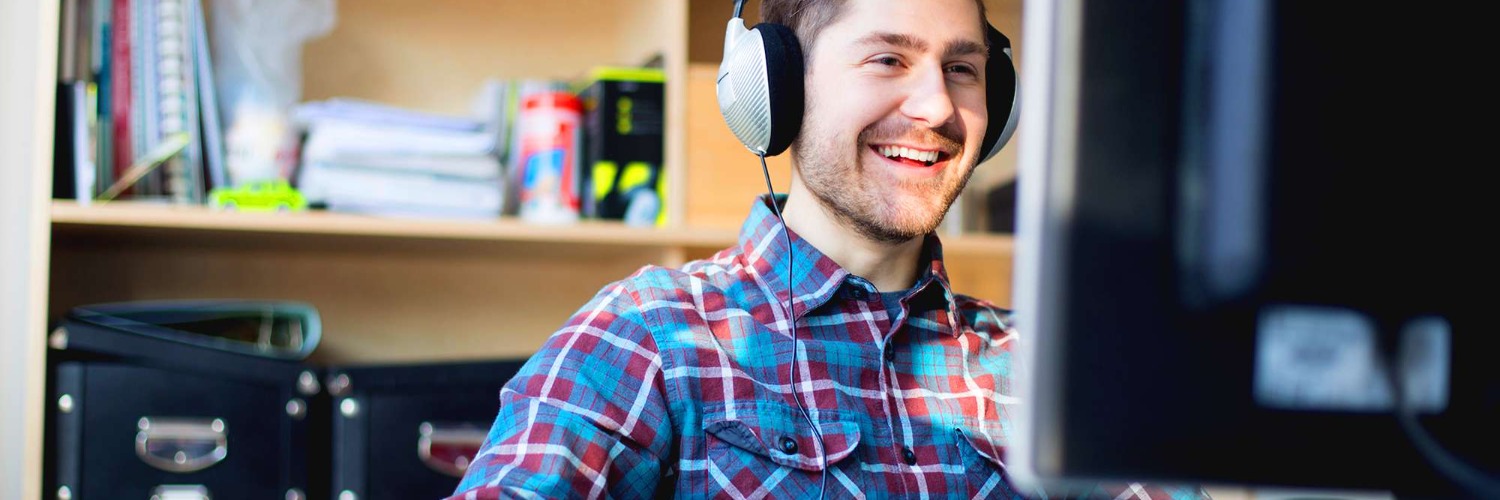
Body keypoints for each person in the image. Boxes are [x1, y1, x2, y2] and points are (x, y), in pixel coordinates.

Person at [449, 0, 1207, 498]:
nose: (938, 106)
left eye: (963, 69)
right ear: (773, 90)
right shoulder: (650, 335)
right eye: (888, 60)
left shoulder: (1062, 366)